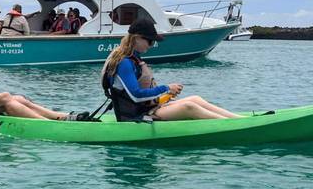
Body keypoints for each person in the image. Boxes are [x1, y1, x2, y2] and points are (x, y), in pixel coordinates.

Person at [102, 18, 244, 122]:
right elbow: (136, 96)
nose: (151, 45)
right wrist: (166, 88)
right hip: (135, 116)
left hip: (148, 108)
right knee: (189, 106)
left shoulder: (134, 58)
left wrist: (166, 94)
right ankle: (233, 125)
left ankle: (239, 119)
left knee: (195, 99)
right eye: (150, 41)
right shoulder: (124, 63)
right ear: (137, 38)